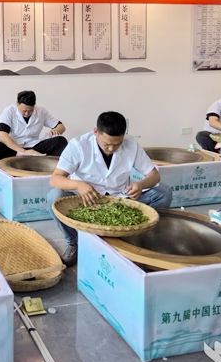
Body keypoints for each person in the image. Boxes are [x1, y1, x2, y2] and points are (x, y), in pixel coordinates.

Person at [49, 111, 172, 266]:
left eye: (117, 144)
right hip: (86, 198)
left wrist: (141, 185)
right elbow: (55, 178)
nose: (112, 148)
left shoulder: (131, 145)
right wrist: (79, 185)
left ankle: (135, 237)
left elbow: (154, 175)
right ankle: (74, 243)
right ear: (96, 132)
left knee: (164, 193)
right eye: (106, 144)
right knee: (54, 196)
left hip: (119, 197)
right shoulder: (78, 146)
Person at [0, 90, 68, 165]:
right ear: (17, 104)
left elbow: (61, 126)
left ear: (34, 106)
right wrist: (23, 151)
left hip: (34, 147)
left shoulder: (41, 111)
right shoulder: (9, 111)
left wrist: (56, 130)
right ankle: (3, 171)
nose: (27, 113)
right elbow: (2, 135)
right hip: (14, 148)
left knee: (61, 141)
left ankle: (47, 167)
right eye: (24, 111)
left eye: (30, 110)